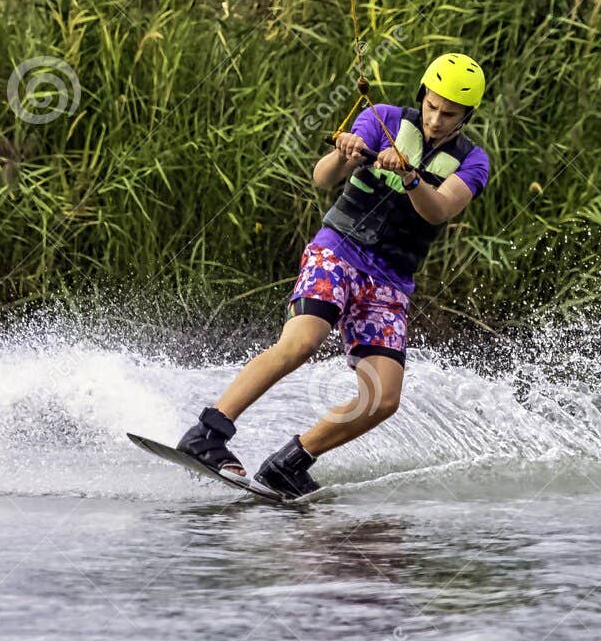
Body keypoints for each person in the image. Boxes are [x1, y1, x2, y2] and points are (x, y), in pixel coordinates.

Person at [175, 53, 492, 498]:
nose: (437, 119)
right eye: (432, 106)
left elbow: (439, 210)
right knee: (301, 342)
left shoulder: (474, 161)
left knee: (383, 399)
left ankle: (290, 463)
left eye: (450, 114)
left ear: (467, 115)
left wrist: (409, 176)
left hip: (391, 281)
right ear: (423, 95)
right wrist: (344, 157)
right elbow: (322, 178)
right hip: (338, 251)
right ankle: (208, 434)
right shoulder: (381, 118)